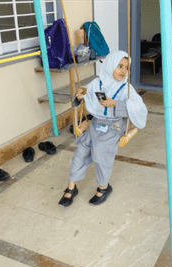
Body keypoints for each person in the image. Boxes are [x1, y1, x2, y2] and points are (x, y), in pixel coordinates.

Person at [59, 50, 147, 207]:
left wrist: (117, 104)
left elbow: (139, 107)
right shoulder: (98, 83)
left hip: (114, 125)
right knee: (81, 150)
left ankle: (104, 187)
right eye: (119, 66)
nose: (123, 71)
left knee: (100, 152)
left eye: (126, 68)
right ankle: (72, 187)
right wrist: (81, 94)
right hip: (96, 123)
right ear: (109, 65)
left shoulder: (126, 88)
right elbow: (88, 92)